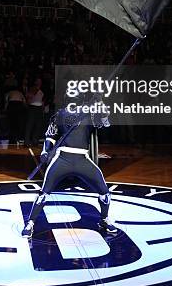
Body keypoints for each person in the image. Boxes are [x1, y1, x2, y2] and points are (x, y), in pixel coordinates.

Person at [22, 94, 116, 239]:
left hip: (82, 159)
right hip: (62, 158)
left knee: (105, 194)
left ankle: (104, 219)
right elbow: (50, 135)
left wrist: (100, 102)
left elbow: (106, 123)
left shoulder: (90, 113)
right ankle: (30, 223)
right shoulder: (59, 114)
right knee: (44, 194)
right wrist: (45, 151)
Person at [24, 78, 44, 147]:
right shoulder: (32, 88)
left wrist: (42, 108)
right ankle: (26, 142)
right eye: (37, 81)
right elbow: (28, 97)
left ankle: (35, 141)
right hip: (32, 107)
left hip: (39, 108)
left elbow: (42, 100)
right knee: (30, 125)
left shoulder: (42, 90)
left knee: (38, 125)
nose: (39, 82)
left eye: (40, 81)